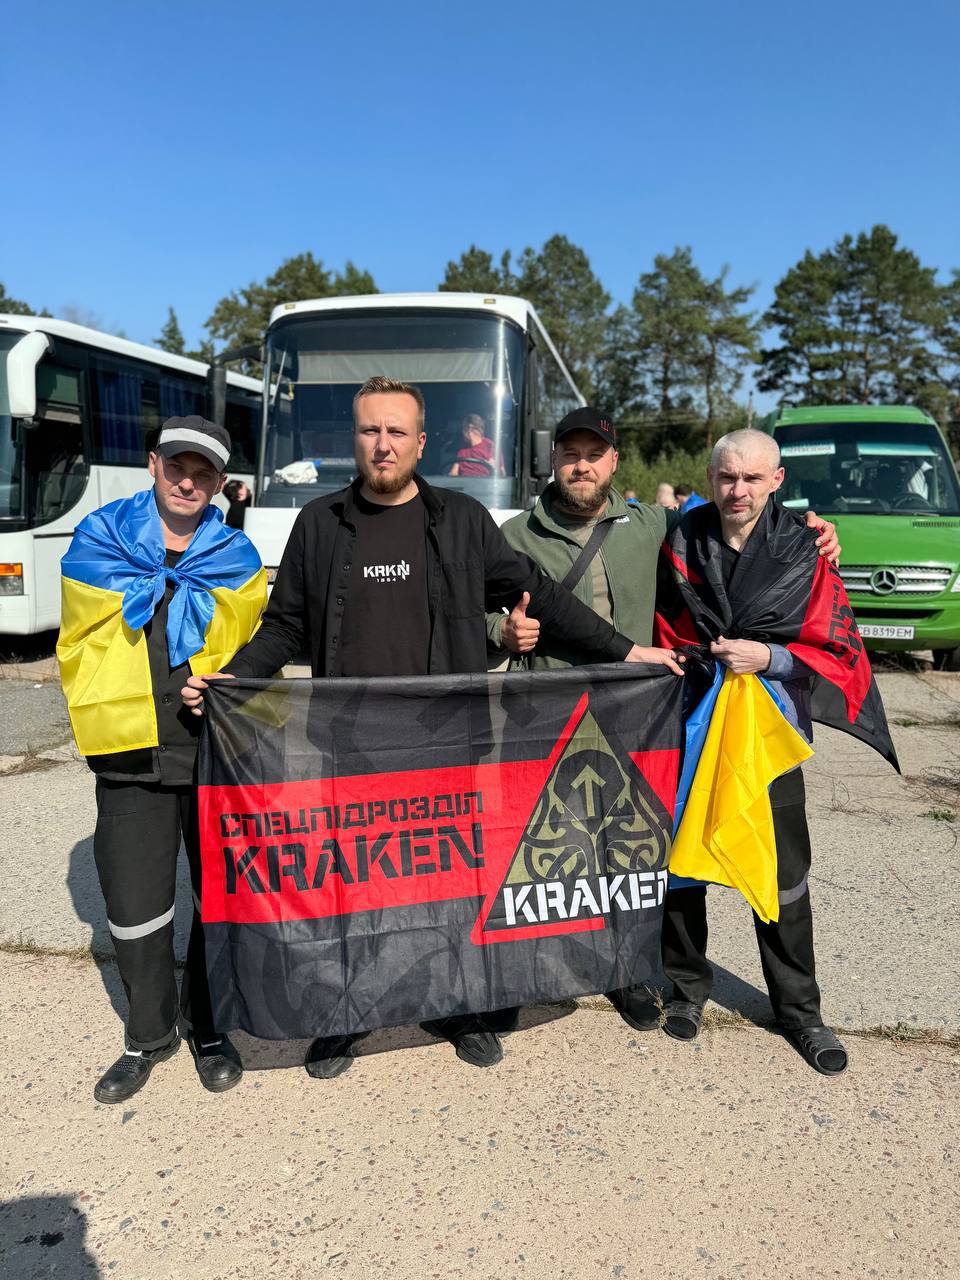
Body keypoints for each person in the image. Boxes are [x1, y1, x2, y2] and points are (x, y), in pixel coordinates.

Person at [182, 377, 679, 1079]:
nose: (381, 444)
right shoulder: (320, 524)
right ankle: (344, 1015)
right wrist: (232, 679)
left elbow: (545, 597)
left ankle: (458, 1008)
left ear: (420, 442)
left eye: (395, 432)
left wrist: (629, 652)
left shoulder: (462, 521)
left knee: (451, 887)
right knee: (352, 890)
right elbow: (286, 624)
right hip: (349, 743)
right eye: (368, 431)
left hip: (449, 743)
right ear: (354, 440)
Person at [487, 409, 839, 1033]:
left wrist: (816, 530)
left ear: (615, 462)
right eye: (571, 452)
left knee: (638, 858)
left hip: (645, 723)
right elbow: (474, 614)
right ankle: (521, 984)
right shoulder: (513, 535)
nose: (582, 465)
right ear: (553, 459)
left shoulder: (656, 524)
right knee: (539, 858)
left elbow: (755, 539)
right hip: (545, 719)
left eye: (595, 454)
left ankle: (640, 978)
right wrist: (503, 633)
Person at [56, 416, 267, 1103]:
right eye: (178, 465)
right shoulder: (100, 538)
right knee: (135, 906)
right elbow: (78, 641)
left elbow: (257, 652)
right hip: (130, 754)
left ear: (218, 483)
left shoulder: (236, 556)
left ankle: (210, 1026)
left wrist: (230, 685)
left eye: (203, 472)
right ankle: (148, 1036)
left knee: (220, 901)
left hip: (211, 755)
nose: (188, 480)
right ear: (153, 464)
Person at [656, 428, 854, 1075]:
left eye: (750, 478)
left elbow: (835, 642)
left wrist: (769, 656)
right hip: (694, 722)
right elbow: (664, 624)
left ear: (776, 482)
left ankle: (800, 1011)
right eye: (725, 477)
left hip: (771, 732)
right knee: (684, 866)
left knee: (783, 872)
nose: (736, 489)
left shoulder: (805, 545)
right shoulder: (683, 540)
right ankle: (685, 990)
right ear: (710, 480)